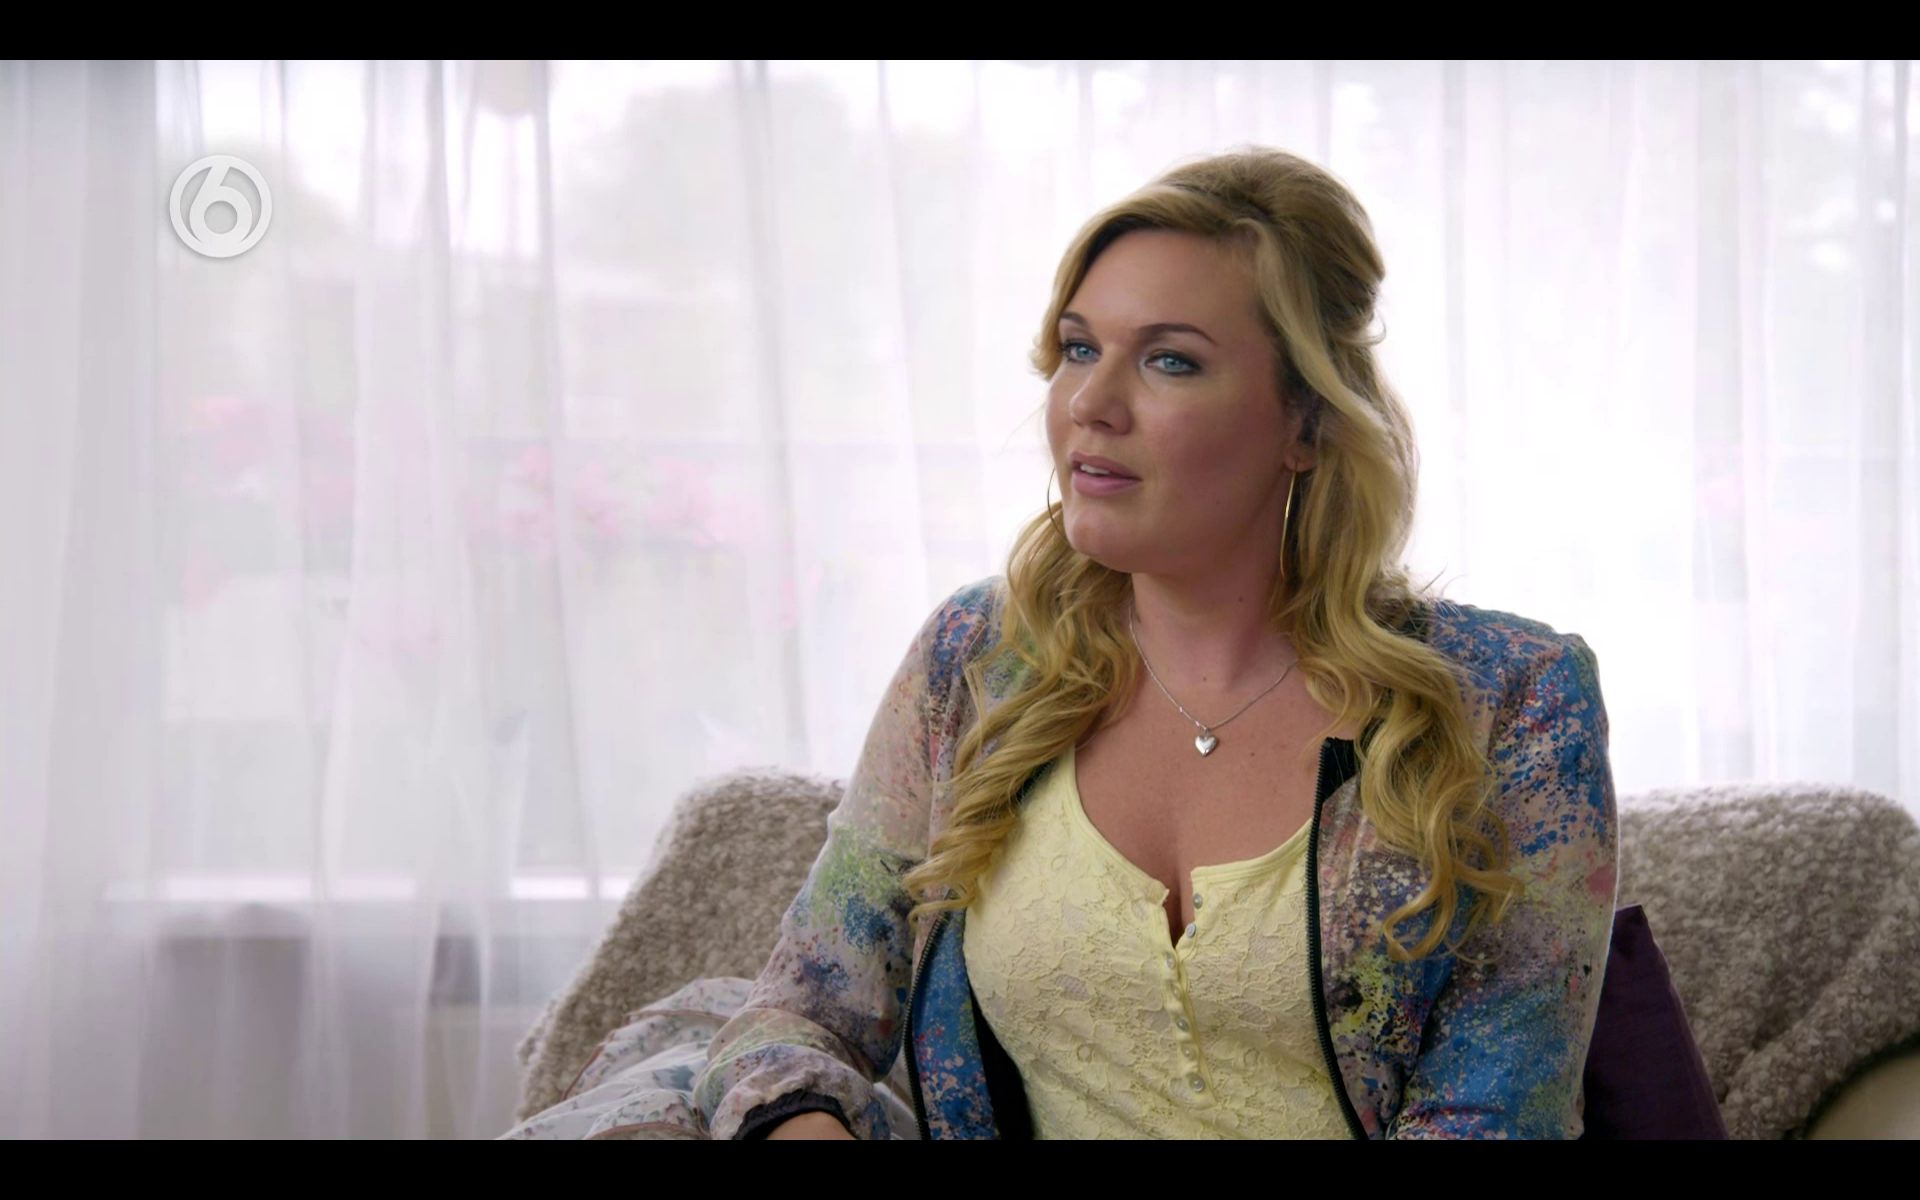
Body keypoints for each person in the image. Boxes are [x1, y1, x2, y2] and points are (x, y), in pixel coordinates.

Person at [693, 145, 1619, 1140]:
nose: (1090, 404)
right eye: (1078, 348)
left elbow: (1495, 1117)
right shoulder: (975, 660)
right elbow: (795, 1017)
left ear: (1306, 425)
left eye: (1169, 360)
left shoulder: (1510, 701)